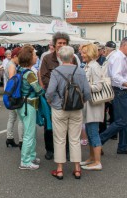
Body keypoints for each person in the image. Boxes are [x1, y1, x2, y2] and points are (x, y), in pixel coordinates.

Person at [46, 46, 91, 179]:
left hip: (59, 108)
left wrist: (51, 101)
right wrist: (82, 102)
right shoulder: (80, 71)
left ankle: (59, 169)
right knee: (75, 139)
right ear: (72, 57)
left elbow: (50, 92)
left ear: (59, 57)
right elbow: (87, 92)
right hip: (76, 108)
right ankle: (77, 169)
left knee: (59, 139)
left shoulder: (55, 72)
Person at [40, 32, 79, 160]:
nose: (61, 45)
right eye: (59, 43)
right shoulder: (46, 58)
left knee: (68, 125)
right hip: (52, 98)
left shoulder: (73, 58)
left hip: (69, 97)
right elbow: (44, 76)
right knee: (49, 125)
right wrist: (55, 89)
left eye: (64, 43)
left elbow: (76, 76)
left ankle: (67, 151)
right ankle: (50, 150)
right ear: (54, 44)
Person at [100, 37, 127, 154]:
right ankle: (98, 141)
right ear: (124, 45)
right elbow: (116, 77)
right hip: (120, 91)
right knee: (121, 121)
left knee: (125, 120)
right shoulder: (118, 57)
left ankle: (122, 146)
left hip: (123, 91)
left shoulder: (122, 57)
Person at [17, 45, 44, 170]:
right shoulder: (29, 74)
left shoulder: (20, 70)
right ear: (29, 58)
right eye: (34, 55)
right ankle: (25, 161)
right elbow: (38, 90)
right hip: (29, 105)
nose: (36, 56)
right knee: (29, 133)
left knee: (30, 132)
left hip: (22, 104)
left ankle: (31, 156)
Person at [80, 43, 105, 171]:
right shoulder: (89, 65)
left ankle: (97, 162)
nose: (81, 54)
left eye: (84, 52)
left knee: (93, 133)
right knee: (90, 133)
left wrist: (85, 87)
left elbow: (99, 86)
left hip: (94, 106)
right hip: (90, 105)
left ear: (90, 53)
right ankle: (91, 158)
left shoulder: (94, 67)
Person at [4, 47, 23, 148]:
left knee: (12, 118)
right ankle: (21, 140)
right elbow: (13, 80)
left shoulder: (10, 64)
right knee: (20, 118)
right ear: (15, 56)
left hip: (9, 94)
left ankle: (9, 138)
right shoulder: (12, 66)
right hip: (14, 94)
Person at [99, 41, 117, 139]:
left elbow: (106, 75)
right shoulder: (111, 57)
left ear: (106, 49)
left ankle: (104, 134)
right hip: (111, 88)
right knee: (112, 111)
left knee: (105, 111)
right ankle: (112, 134)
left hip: (108, 88)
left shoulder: (110, 58)